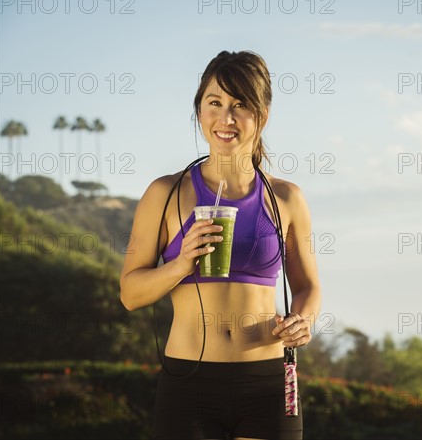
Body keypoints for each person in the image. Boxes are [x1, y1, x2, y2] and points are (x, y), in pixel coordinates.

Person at [119, 50, 322, 440]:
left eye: (241, 105)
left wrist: (304, 322)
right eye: (215, 103)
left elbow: (308, 287)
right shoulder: (165, 193)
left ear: (262, 116)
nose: (226, 119)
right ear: (200, 110)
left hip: (267, 380)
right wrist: (179, 265)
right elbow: (130, 293)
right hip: (189, 381)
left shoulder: (287, 199)